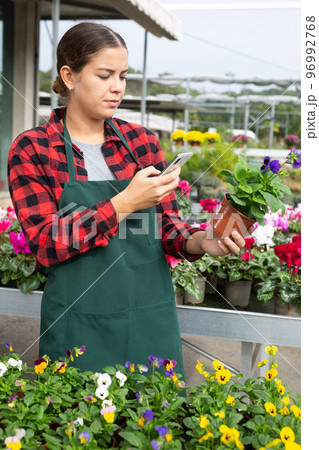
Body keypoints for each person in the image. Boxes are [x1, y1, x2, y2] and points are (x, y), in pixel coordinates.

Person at [7, 22, 248, 376]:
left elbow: (167, 227)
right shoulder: (34, 148)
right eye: (104, 75)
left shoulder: (141, 143)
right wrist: (123, 203)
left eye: (123, 76)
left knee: (152, 428)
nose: (117, 88)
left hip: (148, 319)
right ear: (69, 76)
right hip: (77, 325)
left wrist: (203, 242)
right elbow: (46, 243)